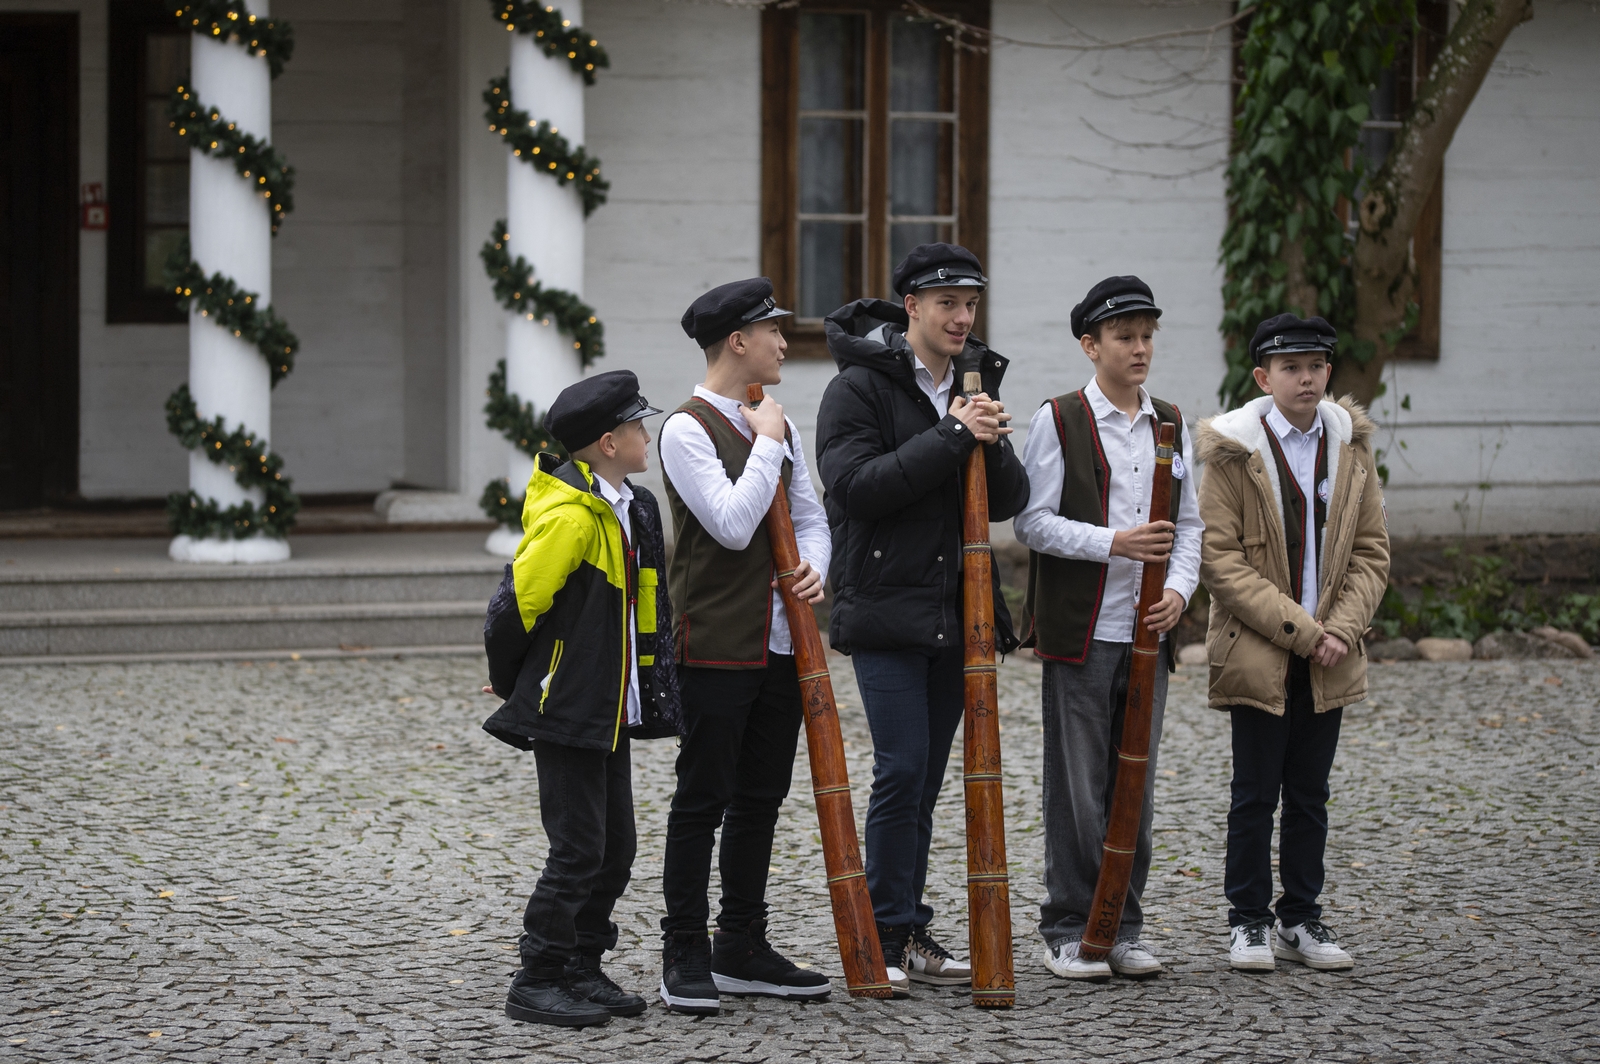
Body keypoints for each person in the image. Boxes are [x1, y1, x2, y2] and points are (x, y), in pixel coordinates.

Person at [814, 243, 1030, 997]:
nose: (962, 317)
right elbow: (854, 489)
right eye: (947, 304)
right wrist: (952, 435)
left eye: (970, 303)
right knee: (901, 769)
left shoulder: (973, 382)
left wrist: (989, 442)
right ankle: (881, 934)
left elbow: (1007, 501)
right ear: (911, 307)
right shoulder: (857, 388)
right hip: (884, 608)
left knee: (927, 780)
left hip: (958, 614)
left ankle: (907, 927)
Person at [1014, 276, 1203, 983]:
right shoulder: (1060, 419)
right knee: (1077, 787)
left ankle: (1121, 926)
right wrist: (1114, 543)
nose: (1140, 348)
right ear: (1090, 346)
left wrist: (1179, 591)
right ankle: (1068, 926)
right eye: (1125, 337)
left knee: (1136, 785)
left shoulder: (1171, 423)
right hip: (1082, 629)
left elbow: (1191, 526)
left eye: (1147, 335)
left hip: (1148, 630)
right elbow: (1032, 522)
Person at [481, 370, 683, 1027]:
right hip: (567, 707)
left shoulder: (631, 506)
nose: (646, 435)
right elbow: (515, 606)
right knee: (576, 850)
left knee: (614, 849)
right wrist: (514, 681)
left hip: (611, 707)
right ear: (608, 443)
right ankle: (537, 977)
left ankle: (581, 964)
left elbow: (645, 606)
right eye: (636, 426)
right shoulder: (571, 516)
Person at [655, 277, 833, 1015]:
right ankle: (684, 951)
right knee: (703, 799)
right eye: (773, 331)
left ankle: (741, 945)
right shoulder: (685, 429)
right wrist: (766, 443)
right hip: (716, 644)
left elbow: (810, 516)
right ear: (737, 341)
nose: (784, 343)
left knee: (762, 797)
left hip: (782, 644)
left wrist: (816, 567)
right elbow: (731, 526)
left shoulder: (779, 424)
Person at [1194, 313, 1389, 973]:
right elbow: (1220, 561)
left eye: (1315, 366)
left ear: (1328, 372)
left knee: (1311, 792)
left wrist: (1342, 630)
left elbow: (1371, 552)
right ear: (1263, 377)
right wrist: (1303, 632)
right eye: (1290, 368)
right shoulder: (1232, 452)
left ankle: (1300, 917)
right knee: (1254, 792)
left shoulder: (1350, 448)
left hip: (1331, 651)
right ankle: (1247, 921)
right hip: (1261, 647)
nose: (1305, 378)